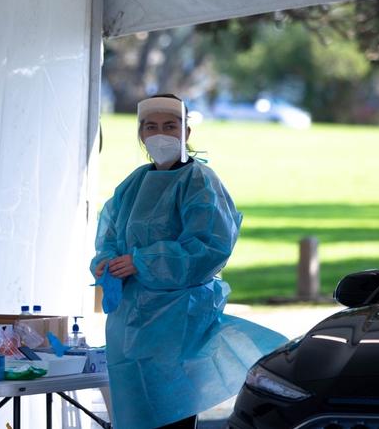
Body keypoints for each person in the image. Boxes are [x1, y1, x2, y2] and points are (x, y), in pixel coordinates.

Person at [90, 94, 286, 429]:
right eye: (151, 127)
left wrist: (143, 261)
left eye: (170, 125)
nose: (160, 134)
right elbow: (109, 233)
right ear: (140, 134)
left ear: (186, 132)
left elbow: (210, 246)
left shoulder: (199, 182)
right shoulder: (133, 185)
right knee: (133, 414)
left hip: (177, 322)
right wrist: (107, 262)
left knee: (172, 414)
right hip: (130, 325)